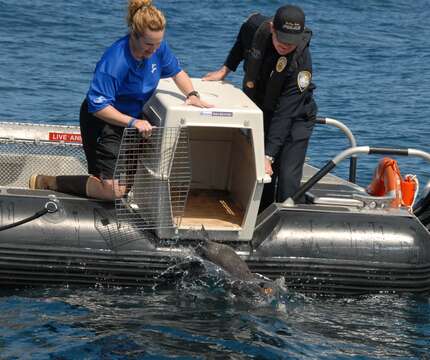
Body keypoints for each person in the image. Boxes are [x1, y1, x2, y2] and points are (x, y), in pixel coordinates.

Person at [29, 0, 211, 200]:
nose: (154, 50)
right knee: (113, 190)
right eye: (149, 44)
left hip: (132, 118)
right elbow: (98, 106)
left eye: (158, 43)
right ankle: (48, 182)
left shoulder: (158, 48)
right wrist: (133, 122)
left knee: (129, 183)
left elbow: (176, 72)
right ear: (134, 35)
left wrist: (192, 95)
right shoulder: (115, 62)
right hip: (104, 122)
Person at [203, 4, 317, 211]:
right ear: (272, 28)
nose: (285, 46)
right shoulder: (256, 27)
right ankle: (258, 219)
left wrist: (268, 155)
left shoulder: (301, 64)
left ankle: (287, 218)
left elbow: (285, 114)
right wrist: (226, 69)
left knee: (286, 179)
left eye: (291, 43)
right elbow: (242, 41)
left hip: (294, 117)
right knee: (262, 179)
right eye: (281, 40)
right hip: (262, 110)